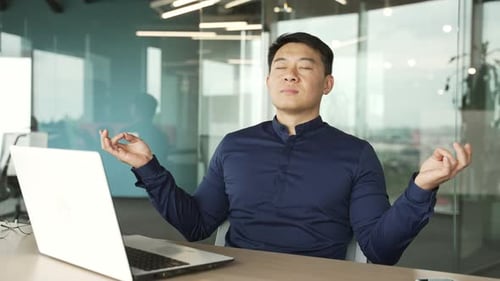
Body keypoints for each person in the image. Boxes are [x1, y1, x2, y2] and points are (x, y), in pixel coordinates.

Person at [100, 32, 472, 265]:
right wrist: (148, 166)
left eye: (304, 67)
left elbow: (379, 249)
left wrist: (420, 187)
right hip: (234, 271)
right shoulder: (235, 145)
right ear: (268, 81)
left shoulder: (356, 154)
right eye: (281, 66)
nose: (290, 74)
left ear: (327, 84)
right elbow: (195, 224)